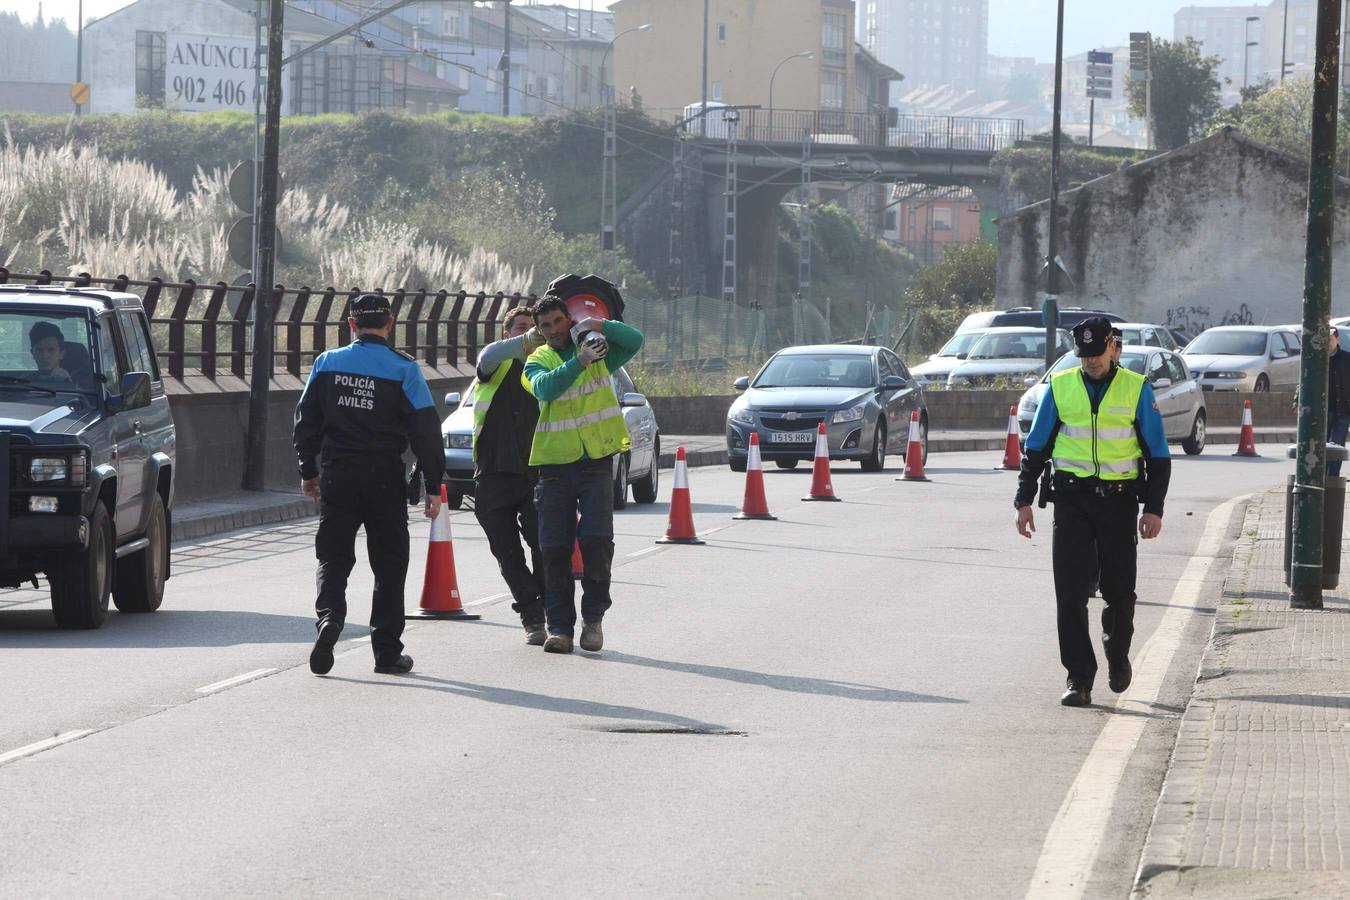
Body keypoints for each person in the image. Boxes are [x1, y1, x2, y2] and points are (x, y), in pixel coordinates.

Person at [1014, 316, 1171, 707]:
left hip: (1118, 504)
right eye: (1083, 355)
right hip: (1071, 501)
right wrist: (1023, 500)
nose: (1090, 362)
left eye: (1096, 354)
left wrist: (1153, 509)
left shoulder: (1137, 390)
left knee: (1120, 594)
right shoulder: (1060, 387)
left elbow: (1159, 455)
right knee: (1069, 594)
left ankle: (1117, 654)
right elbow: (1036, 450)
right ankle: (1078, 678)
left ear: (1112, 347)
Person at [293, 293, 445, 676]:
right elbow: (426, 429)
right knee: (390, 565)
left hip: (338, 474)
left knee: (333, 557)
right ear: (390, 323)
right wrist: (432, 482)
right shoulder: (404, 369)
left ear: (350, 324)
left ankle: (329, 618)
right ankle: (387, 652)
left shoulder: (327, 363)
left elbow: (305, 421)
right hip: (383, 478)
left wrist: (307, 471)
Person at [523, 292, 644, 654]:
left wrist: (594, 324)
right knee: (554, 549)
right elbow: (545, 387)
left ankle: (593, 619)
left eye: (559, 321)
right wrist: (578, 360)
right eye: (545, 326)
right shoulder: (537, 360)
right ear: (540, 331)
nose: (553, 330)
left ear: (569, 320)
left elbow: (635, 340)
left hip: (595, 463)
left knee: (596, 542)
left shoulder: (597, 351)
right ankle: (560, 628)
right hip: (555, 468)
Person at [472, 306, 549, 645]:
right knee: (507, 552)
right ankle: (532, 611)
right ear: (507, 333)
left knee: (545, 546)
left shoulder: (547, 367)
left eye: (535, 328)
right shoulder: (495, 361)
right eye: (522, 328)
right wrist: (528, 339)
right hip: (493, 474)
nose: (531, 333)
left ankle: (545, 609)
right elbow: (488, 355)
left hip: (538, 473)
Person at [1328, 325, 1350, 476]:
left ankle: (1332, 479)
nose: (1327, 342)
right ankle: (1320, 478)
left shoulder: (1347, 358)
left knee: (1337, 446)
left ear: (1337, 339)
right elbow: (1304, 381)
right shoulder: (1316, 359)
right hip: (1323, 410)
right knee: (1319, 445)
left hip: (1343, 410)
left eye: (1330, 339)